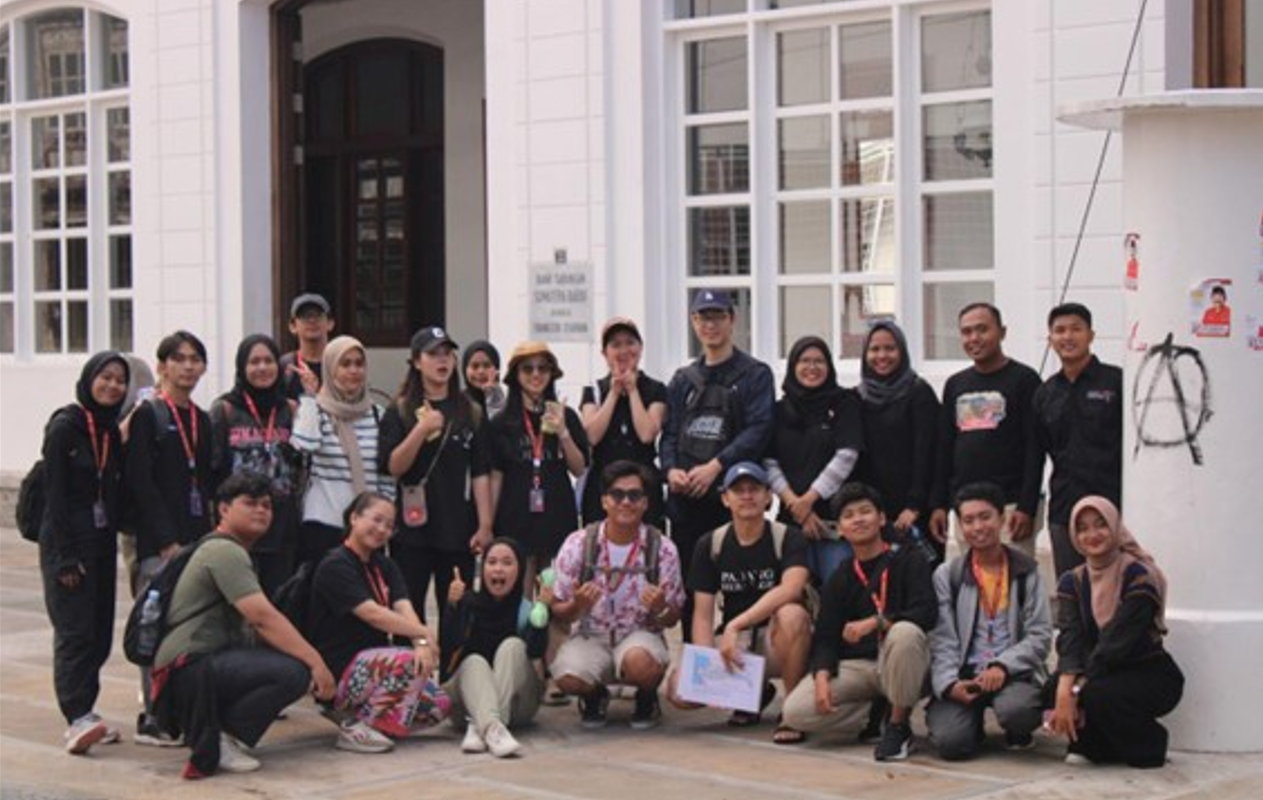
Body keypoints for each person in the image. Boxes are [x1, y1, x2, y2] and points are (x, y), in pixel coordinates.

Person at [151, 472, 337, 779]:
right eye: (250, 503)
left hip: (195, 665)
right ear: (223, 509)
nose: (261, 511)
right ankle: (222, 738)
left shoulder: (229, 549)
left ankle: (216, 729)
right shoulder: (225, 551)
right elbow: (262, 618)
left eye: (267, 505)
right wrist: (317, 662)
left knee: (280, 658)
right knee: (295, 672)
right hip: (188, 668)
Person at [781, 482, 936, 762]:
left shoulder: (909, 559)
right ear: (840, 528)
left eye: (866, 512)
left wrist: (877, 622)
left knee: (904, 633)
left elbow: (926, 612)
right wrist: (822, 675)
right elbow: (826, 635)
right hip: (862, 667)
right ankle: (876, 713)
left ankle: (898, 726)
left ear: (881, 518)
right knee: (796, 712)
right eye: (849, 515)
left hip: (905, 661)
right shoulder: (841, 575)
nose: (858, 519)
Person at [669, 462, 812, 745]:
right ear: (725, 498)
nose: (747, 496)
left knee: (792, 615)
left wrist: (737, 624)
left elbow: (792, 588)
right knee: (678, 692)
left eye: (754, 489)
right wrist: (707, 668)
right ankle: (753, 694)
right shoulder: (711, 543)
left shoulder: (788, 537)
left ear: (768, 496)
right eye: (738, 490)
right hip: (738, 645)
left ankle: (793, 710)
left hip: (779, 639)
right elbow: (701, 616)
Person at [660, 290, 775, 641]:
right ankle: (698, 667)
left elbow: (760, 429)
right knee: (693, 590)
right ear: (693, 323)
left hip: (736, 499)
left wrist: (717, 467)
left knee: (742, 586)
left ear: (732, 320)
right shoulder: (682, 380)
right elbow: (669, 434)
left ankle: (742, 671)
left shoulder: (755, 374)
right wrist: (671, 470)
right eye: (702, 318)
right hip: (687, 503)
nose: (710, 325)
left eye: (717, 316)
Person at [125, 330, 215, 745]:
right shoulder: (150, 415)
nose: (188, 366)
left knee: (189, 627)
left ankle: (178, 707)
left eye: (196, 359)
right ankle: (154, 714)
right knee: (153, 626)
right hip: (160, 545)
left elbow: (209, 483)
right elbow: (140, 483)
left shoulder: (201, 418)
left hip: (196, 541)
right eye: (179, 359)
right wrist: (164, 541)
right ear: (162, 366)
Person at [308, 492, 450, 753]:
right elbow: (373, 614)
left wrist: (420, 642)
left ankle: (362, 721)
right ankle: (356, 730)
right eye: (376, 520)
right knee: (408, 662)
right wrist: (423, 634)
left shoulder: (384, 565)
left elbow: (403, 606)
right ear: (354, 517)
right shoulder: (335, 564)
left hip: (376, 668)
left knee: (439, 704)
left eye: (389, 525)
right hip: (340, 671)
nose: (382, 529)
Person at [1048, 496, 1183, 769]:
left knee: (1096, 693)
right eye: (1083, 528)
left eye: (1101, 525)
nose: (1092, 535)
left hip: (1148, 672)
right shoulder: (1071, 581)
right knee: (1049, 691)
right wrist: (1064, 688)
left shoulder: (1140, 576)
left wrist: (1075, 688)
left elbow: (1117, 642)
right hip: (1100, 671)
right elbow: (1070, 637)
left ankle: (1150, 745)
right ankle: (1093, 743)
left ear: (1115, 528)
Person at [39, 352, 129, 754]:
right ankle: (75, 716)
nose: (112, 386)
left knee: (97, 632)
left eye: (119, 380)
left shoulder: (109, 430)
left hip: (101, 544)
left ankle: (86, 711)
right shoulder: (65, 427)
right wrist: (64, 557)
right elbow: (54, 499)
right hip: (69, 547)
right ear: (89, 379)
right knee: (74, 633)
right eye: (105, 378)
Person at [549, 461, 684, 730]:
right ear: (603, 501)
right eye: (617, 495)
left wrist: (660, 607)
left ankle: (646, 697)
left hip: (639, 636)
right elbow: (557, 609)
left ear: (645, 503)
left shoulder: (663, 549)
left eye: (634, 495)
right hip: (591, 634)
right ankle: (594, 695)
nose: (626, 502)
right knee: (566, 676)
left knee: (640, 664)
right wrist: (577, 605)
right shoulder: (578, 544)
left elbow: (673, 618)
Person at [926, 482, 1051, 760]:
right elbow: (942, 638)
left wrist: (1003, 665)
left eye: (985, 517)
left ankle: (1017, 731)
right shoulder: (948, 575)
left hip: (1012, 673)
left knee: (1018, 712)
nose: (978, 527)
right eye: (968, 520)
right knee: (951, 743)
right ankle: (969, 726)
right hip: (965, 673)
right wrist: (948, 684)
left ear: (1001, 519)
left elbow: (1040, 635)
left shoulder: (1026, 572)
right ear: (960, 526)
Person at [380, 327, 494, 621]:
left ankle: (452, 668)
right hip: (411, 528)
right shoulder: (400, 409)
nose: (442, 361)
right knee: (409, 607)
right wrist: (421, 429)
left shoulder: (470, 410)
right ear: (417, 362)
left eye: (447, 354)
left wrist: (485, 524)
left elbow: (480, 471)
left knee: (456, 608)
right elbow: (393, 466)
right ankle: (411, 665)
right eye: (433, 354)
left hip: (458, 527)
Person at [929, 303, 1042, 558]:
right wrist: (939, 504)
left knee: (1011, 587)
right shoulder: (955, 384)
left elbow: (1035, 448)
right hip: (965, 507)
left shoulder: (1025, 380)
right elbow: (945, 447)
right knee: (972, 586)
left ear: (1002, 332)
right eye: (966, 332)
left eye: (982, 329)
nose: (974, 338)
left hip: (1011, 507)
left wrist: (1028, 506)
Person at [1032, 303, 1123, 578]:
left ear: (1091, 335)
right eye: (1059, 331)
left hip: (1114, 505)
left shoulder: (1117, 381)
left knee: (1116, 585)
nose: (1067, 337)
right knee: (1071, 587)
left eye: (1076, 329)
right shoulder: (1045, 393)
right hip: (1064, 509)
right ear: (1050, 340)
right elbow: (1035, 455)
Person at [764, 335, 862, 585]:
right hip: (791, 524)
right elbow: (769, 462)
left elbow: (847, 455)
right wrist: (797, 507)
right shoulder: (778, 410)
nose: (812, 367)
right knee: (793, 601)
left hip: (835, 526)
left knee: (837, 595)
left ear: (829, 366)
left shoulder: (845, 402)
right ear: (793, 366)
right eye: (804, 361)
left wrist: (808, 500)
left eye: (819, 361)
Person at [291, 335, 394, 569]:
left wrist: (385, 519)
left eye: (359, 363)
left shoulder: (378, 414)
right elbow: (305, 444)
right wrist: (309, 398)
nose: (353, 370)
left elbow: (386, 474)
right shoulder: (316, 410)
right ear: (330, 369)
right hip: (323, 525)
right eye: (345, 364)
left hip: (369, 530)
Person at [210, 334, 302, 596]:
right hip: (238, 528)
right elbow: (214, 469)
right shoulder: (224, 409)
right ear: (242, 368)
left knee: (279, 603)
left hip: (282, 526)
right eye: (254, 362)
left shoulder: (290, 410)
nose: (262, 368)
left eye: (268, 361)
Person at [487, 341, 589, 571]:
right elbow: (495, 476)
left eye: (543, 368)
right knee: (521, 598)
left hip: (556, 513)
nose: (536, 374)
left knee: (551, 594)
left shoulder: (566, 415)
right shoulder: (501, 422)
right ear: (516, 375)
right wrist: (487, 525)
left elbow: (579, 468)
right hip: (514, 514)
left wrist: (563, 432)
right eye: (527, 369)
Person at [441, 537, 546, 758]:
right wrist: (453, 607)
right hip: (465, 704)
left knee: (513, 646)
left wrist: (542, 618)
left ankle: (484, 725)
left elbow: (536, 653)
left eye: (507, 562)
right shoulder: (466, 602)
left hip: (517, 706)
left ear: (520, 570)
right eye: (492, 562)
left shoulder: (526, 609)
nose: (499, 569)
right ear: (483, 568)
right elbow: (449, 646)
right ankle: (492, 727)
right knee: (474, 662)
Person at [855, 321, 941, 559]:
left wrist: (915, 505)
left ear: (902, 352)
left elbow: (928, 452)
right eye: (874, 349)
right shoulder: (858, 397)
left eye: (890, 348)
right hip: (872, 514)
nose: (882, 356)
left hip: (914, 514)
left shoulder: (919, 392)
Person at [579, 317, 668, 528]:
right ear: (605, 353)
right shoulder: (594, 389)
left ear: (640, 347)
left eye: (630, 343)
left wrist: (633, 390)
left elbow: (647, 433)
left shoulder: (655, 388)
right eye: (615, 345)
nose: (624, 350)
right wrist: (614, 392)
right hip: (604, 481)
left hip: (643, 481)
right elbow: (591, 434)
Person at [280, 293, 335, 401]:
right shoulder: (284, 366)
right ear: (292, 326)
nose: (312, 320)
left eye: (318, 315)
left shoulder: (341, 363)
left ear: (330, 323)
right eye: (304, 316)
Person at [462, 339, 506, 419]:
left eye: (487, 365)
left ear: (496, 369)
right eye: (475, 366)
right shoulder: (458, 404)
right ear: (465, 369)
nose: (481, 371)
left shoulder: (506, 404)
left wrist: (493, 396)